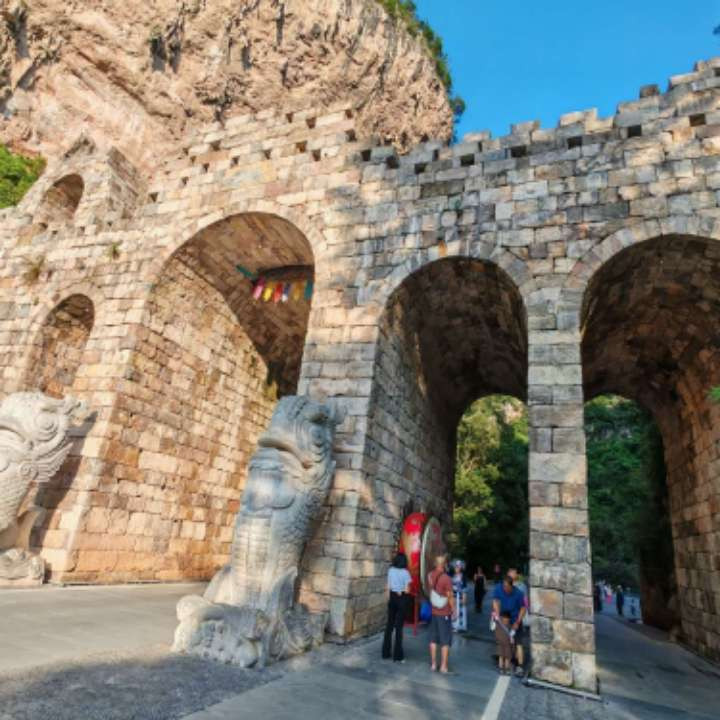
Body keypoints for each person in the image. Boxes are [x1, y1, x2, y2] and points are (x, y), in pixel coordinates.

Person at [492, 574, 526, 677]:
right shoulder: (498, 588)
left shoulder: (519, 593)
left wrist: (518, 622)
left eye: (507, 587)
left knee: (518, 642)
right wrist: (497, 615)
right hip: (503, 621)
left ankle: (520, 666)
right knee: (503, 642)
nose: (505, 589)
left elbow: (523, 608)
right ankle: (503, 664)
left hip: (515, 620)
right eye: (504, 586)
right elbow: (495, 601)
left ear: (512, 586)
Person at [382, 552, 412, 662]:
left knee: (389, 626)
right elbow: (407, 590)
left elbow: (388, 586)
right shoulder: (405, 573)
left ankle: (385, 653)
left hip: (392, 598)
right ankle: (398, 656)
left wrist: (389, 598)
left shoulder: (391, 570)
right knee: (399, 628)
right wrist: (401, 590)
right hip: (401, 598)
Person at [428, 553, 455, 673]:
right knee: (445, 641)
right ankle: (443, 666)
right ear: (444, 564)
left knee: (433, 639)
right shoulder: (446, 578)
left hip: (434, 611)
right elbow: (450, 596)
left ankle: (433, 664)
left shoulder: (430, 575)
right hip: (444, 613)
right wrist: (454, 609)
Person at [494, 610, 514, 675]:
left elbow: (512, 634)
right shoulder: (499, 623)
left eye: (506, 619)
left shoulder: (499, 623)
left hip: (505, 643)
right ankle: (503, 669)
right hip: (502, 643)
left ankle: (504, 669)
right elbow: (512, 633)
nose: (505, 620)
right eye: (504, 618)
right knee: (503, 656)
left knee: (505, 656)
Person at [451, 560, 467, 632]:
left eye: (458, 567)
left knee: (461, 610)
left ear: (460, 568)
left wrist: (464, 596)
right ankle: (454, 625)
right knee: (454, 609)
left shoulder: (463, 576)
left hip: (460, 595)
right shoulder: (453, 576)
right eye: (455, 567)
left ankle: (460, 626)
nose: (456, 568)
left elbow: (464, 586)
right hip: (454, 595)